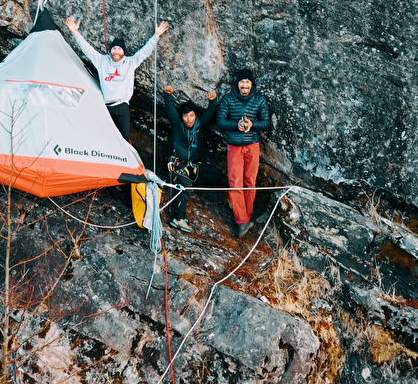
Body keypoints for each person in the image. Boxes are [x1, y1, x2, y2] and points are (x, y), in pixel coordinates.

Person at [65, 17, 169, 140]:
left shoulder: (130, 62)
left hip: (122, 107)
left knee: (124, 139)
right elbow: (88, 50)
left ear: (123, 52)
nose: (116, 51)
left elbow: (144, 53)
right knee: (103, 139)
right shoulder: (101, 61)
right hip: (106, 107)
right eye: (114, 48)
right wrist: (75, 33)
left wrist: (156, 36)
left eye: (119, 49)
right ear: (110, 50)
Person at [214, 68, 270, 237]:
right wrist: (236, 125)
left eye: (247, 82)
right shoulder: (228, 99)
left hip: (252, 144)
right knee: (235, 182)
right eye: (242, 82)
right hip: (234, 145)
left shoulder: (259, 99)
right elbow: (220, 121)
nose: (244, 85)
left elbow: (266, 123)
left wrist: (252, 124)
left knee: (250, 181)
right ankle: (242, 221)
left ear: (251, 84)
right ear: (237, 83)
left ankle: (247, 216)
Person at [161, 85, 222, 233]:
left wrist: (213, 101)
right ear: (182, 117)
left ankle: (189, 181)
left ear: (195, 116)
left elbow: (209, 113)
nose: (188, 119)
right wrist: (167, 95)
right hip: (178, 163)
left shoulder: (200, 125)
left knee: (216, 173)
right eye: (185, 116)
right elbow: (170, 110)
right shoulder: (177, 125)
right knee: (185, 184)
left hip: (193, 165)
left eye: (191, 116)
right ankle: (179, 218)